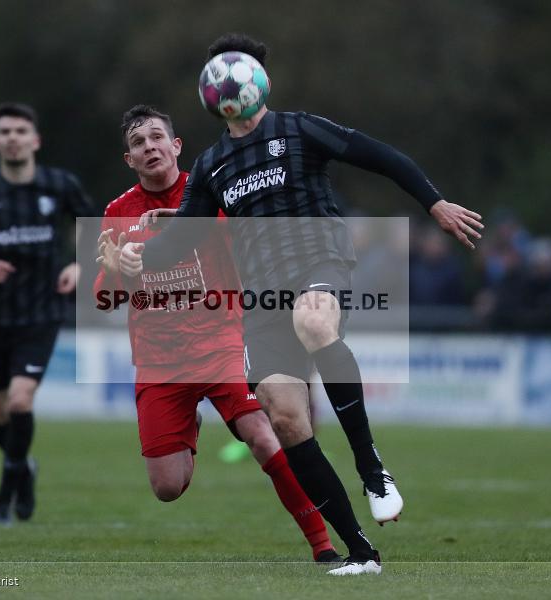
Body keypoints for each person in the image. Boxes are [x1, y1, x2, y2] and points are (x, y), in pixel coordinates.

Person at [119, 34, 483, 575]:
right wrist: (137, 259)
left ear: (257, 85)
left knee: (314, 320)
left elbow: (379, 157)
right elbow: (184, 240)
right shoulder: (214, 164)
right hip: (263, 294)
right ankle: (361, 551)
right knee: (286, 419)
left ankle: (371, 465)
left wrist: (434, 202)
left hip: (320, 261)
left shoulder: (298, 128)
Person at [95, 105, 340, 563]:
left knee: (264, 437)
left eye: (156, 137)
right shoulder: (117, 212)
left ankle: (322, 546)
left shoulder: (209, 189)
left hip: (223, 343)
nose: (149, 146)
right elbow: (104, 295)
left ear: (176, 145)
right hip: (159, 360)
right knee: (168, 488)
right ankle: (191, 423)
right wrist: (114, 273)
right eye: (137, 143)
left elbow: (243, 238)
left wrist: (177, 223)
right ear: (128, 159)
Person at [0, 102, 95, 525]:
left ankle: (10, 483)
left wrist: (80, 264)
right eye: (4, 131)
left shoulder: (60, 186)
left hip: (41, 312)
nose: (12, 137)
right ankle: (24, 466)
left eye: (20, 130)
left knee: (20, 400)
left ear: (35, 140)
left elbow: (98, 228)